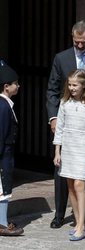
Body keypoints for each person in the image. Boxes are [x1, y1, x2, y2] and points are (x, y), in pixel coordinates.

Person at [46, 20, 85, 228]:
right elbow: (52, 90)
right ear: (72, 38)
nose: (80, 46)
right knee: (62, 171)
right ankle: (60, 214)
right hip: (67, 123)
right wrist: (54, 118)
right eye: (76, 42)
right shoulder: (61, 58)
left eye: (83, 42)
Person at [53, 69, 85, 241]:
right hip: (68, 149)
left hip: (84, 149)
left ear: (84, 85)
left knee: (80, 185)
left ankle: (82, 225)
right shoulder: (64, 103)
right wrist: (57, 151)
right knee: (71, 185)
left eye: (75, 85)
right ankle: (77, 221)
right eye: (70, 84)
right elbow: (60, 129)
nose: (71, 88)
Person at [0, 60, 24, 236]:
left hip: (6, 155)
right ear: (6, 86)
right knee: (3, 191)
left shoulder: (6, 104)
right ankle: (1, 224)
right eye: (15, 84)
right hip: (3, 156)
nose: (18, 86)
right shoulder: (3, 107)